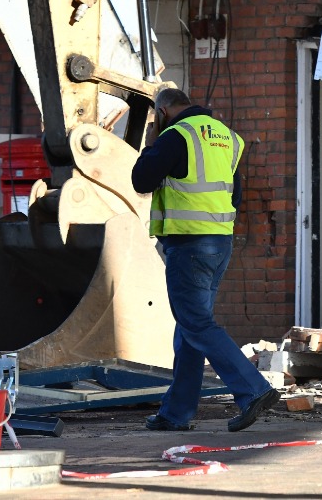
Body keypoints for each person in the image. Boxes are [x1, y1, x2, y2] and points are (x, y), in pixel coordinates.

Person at [131, 87, 280, 432]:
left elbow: (141, 181)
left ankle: (253, 389)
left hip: (188, 245)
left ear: (163, 111)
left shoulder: (174, 135)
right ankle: (177, 412)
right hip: (219, 243)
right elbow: (235, 193)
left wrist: (152, 142)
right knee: (190, 326)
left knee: (197, 324)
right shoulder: (226, 137)